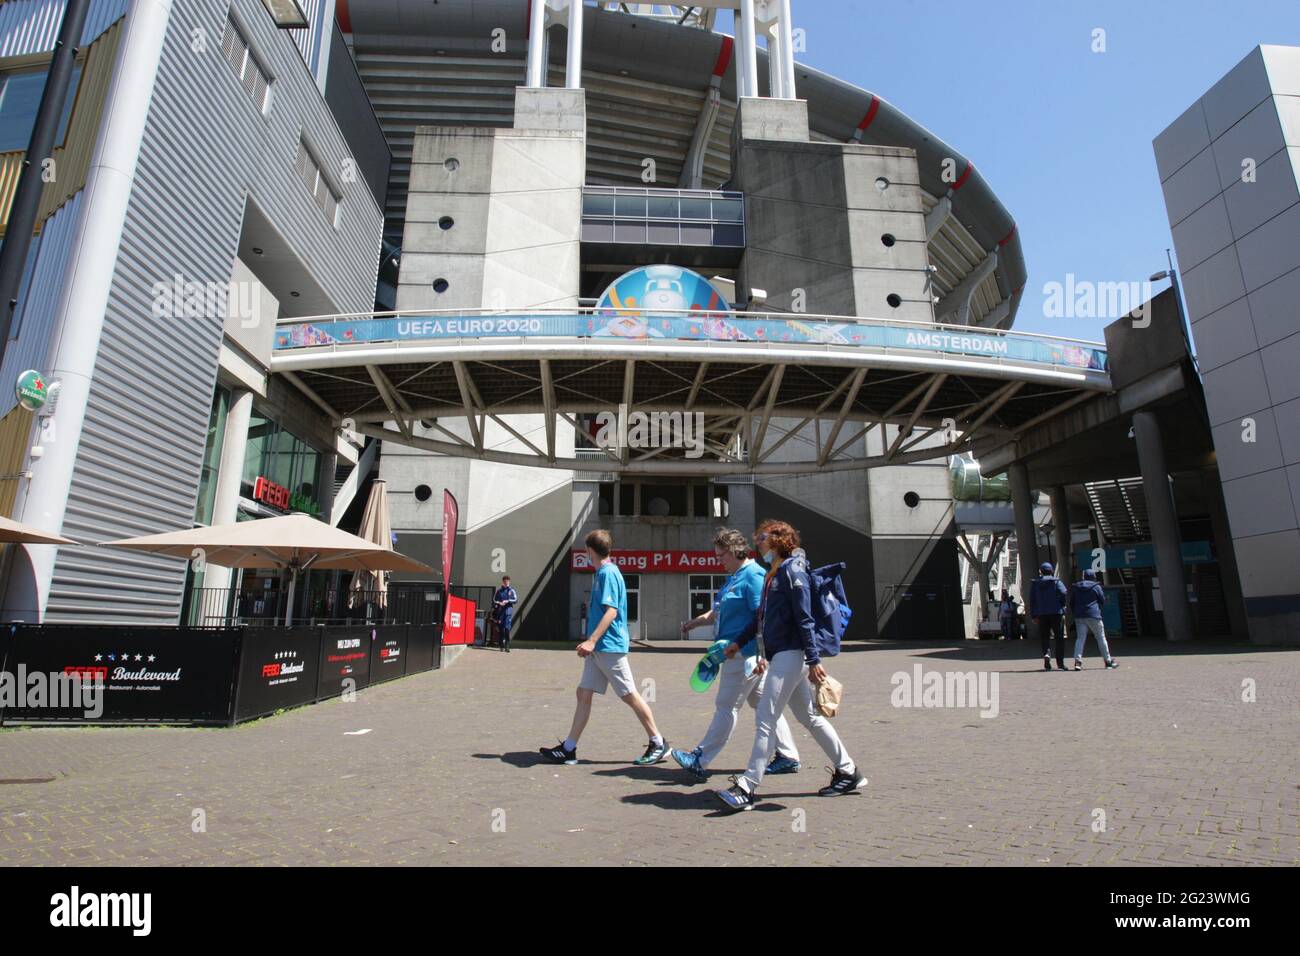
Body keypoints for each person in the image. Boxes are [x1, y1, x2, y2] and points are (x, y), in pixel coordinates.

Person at [716, 521, 866, 813]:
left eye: (761, 537)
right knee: (808, 716)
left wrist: (813, 659)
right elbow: (761, 617)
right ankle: (848, 771)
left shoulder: (792, 571)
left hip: (791, 653)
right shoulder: (776, 572)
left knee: (766, 717)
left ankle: (747, 787)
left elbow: (804, 617)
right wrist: (739, 641)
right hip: (784, 653)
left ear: (777, 540)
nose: (756, 542)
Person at [670, 528, 801, 781]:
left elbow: (761, 616)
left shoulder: (753, 576)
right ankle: (788, 755)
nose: (718, 561)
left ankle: (701, 757)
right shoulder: (734, 577)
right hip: (735, 653)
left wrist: (758, 652)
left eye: (721, 556)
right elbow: (717, 611)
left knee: (726, 706)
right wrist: (693, 623)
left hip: (742, 654)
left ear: (733, 552)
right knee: (764, 704)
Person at [539, 530, 670, 766]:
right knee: (584, 693)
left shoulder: (608, 573)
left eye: (586, 550)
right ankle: (569, 748)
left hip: (609, 646)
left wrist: (591, 640)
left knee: (629, 695)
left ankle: (659, 742)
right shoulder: (603, 572)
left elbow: (612, 611)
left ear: (590, 550)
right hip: (600, 648)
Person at [1070, 569, 1118, 670]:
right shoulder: (1096, 587)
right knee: (1100, 637)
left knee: (1080, 638)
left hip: (1080, 616)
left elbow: (1072, 602)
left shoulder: (1076, 587)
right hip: (1094, 614)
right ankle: (1108, 661)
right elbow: (1102, 600)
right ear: (1093, 577)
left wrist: (1075, 612)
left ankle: (1077, 662)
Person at [1028, 561, 1069, 671]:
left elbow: (1032, 601)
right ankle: (1060, 663)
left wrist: (1034, 615)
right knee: (1059, 638)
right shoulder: (1056, 582)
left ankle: (1046, 654)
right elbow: (1064, 592)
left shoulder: (1035, 584)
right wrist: (1062, 605)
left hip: (1042, 614)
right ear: (1051, 570)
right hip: (1056, 613)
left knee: (1044, 637)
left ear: (1041, 571)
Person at [492, 575, 518, 653]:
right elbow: (494, 600)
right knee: (501, 630)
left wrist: (508, 601)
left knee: (507, 629)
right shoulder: (499, 591)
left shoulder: (512, 590)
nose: (506, 582)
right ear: (503, 582)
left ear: (509, 582)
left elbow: (516, 600)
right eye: (505, 581)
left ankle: (507, 646)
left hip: (508, 612)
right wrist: (499, 603)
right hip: (500, 613)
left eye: (507, 581)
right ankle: (501, 646)